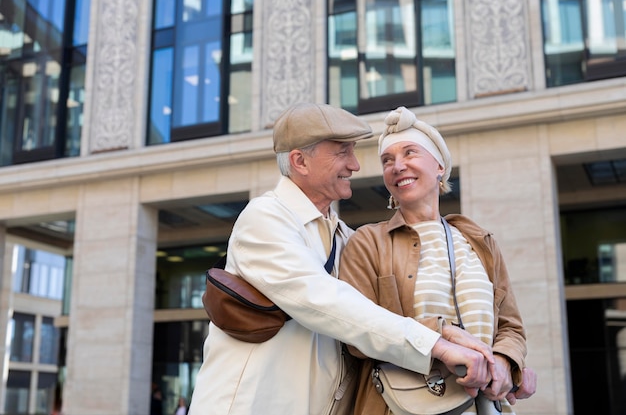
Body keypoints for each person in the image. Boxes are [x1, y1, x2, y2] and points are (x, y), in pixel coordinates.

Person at [188, 102, 496, 415]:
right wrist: (435, 345)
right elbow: (323, 301)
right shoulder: (265, 218)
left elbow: (379, 316)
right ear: (300, 161)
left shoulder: (346, 237)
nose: (355, 165)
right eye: (342, 152)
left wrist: (462, 340)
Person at [338, 106, 537, 415]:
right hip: (400, 406)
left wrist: (506, 361)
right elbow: (356, 332)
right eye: (387, 160)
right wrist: (443, 335)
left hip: (485, 407)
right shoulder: (368, 242)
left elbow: (511, 327)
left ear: (440, 166)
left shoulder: (479, 241)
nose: (397, 166)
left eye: (410, 153)